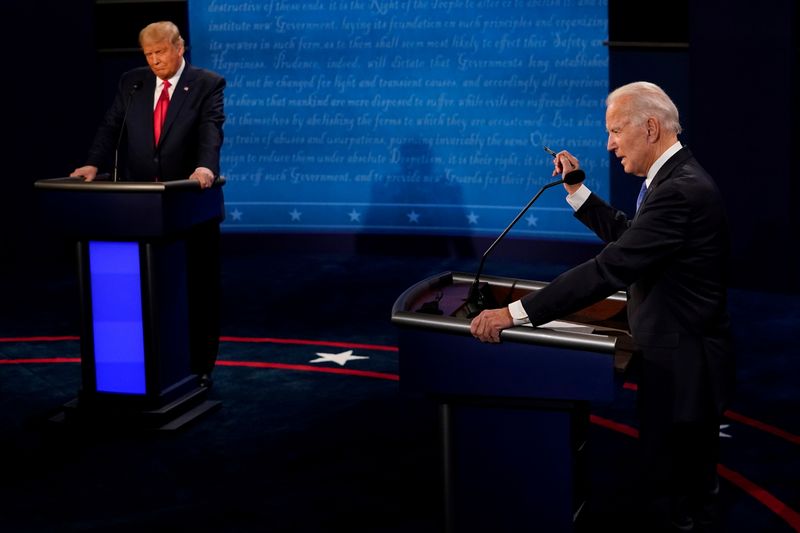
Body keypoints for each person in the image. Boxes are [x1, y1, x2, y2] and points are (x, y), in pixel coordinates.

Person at [470, 81, 735, 532]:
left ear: (650, 128)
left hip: (684, 366)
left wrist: (514, 314)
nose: (609, 144)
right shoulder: (674, 180)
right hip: (676, 358)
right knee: (677, 480)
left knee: (680, 493)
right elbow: (632, 238)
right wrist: (577, 189)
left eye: (615, 131)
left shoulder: (679, 191)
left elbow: (610, 268)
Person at [71, 21, 226, 387]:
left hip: (190, 204)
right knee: (146, 291)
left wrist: (206, 166)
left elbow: (211, 128)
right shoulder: (133, 82)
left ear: (180, 47)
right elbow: (111, 126)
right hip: (139, 208)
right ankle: (151, 364)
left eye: (161, 52)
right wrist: (94, 162)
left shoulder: (207, 84)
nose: (155, 60)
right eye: (149, 54)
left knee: (198, 288)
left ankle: (201, 366)